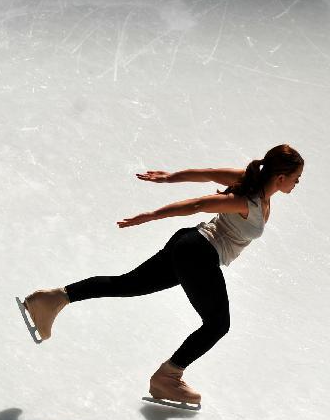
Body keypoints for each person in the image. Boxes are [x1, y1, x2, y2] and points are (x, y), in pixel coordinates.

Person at [21, 144, 304, 406]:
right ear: (281, 177)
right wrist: (152, 215)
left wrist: (170, 178)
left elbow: (205, 174)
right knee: (218, 324)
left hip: (189, 243)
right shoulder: (247, 200)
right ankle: (167, 378)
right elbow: (198, 204)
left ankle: (51, 299)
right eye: (296, 178)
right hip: (200, 254)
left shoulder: (251, 181)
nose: (297, 183)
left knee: (128, 284)